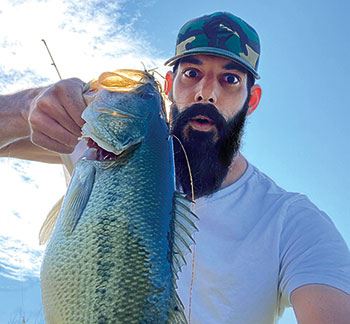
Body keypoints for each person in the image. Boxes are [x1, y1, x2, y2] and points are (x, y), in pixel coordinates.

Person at [1, 11, 350, 324]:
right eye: (192, 73)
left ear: (251, 99)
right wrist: (26, 107)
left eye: (230, 79)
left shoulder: (292, 221)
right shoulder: (96, 149)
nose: (206, 93)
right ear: (169, 87)